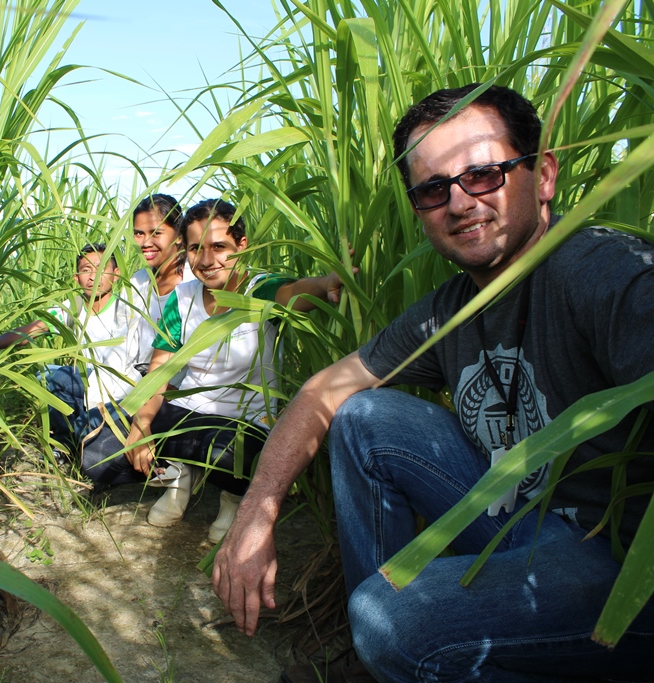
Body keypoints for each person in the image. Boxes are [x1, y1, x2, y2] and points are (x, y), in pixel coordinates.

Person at [212, 84, 654, 683]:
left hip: (611, 558)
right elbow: (325, 389)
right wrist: (258, 512)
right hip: (515, 513)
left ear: (542, 175)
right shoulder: (447, 311)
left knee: (388, 618)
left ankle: (397, 640)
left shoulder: (605, 273)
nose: (460, 202)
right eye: (433, 188)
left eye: (483, 173)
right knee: (363, 419)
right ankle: (385, 656)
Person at [83, 199, 344, 543]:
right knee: (100, 454)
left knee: (227, 453)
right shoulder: (183, 297)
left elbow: (294, 292)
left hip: (244, 422)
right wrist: (141, 424)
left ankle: (232, 497)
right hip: (188, 410)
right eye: (195, 249)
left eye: (219, 246)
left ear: (242, 245)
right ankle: (180, 475)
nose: (206, 261)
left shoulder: (259, 289)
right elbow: (159, 368)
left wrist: (326, 283)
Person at [0, 243, 139, 452]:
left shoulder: (127, 307)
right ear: (75, 277)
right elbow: (31, 331)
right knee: (47, 376)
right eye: (86, 270)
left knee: (61, 380)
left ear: (116, 274)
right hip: (89, 384)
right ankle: (63, 444)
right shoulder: (73, 308)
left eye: (100, 268)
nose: (93, 277)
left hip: (123, 389)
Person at [127, 193, 196, 375]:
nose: (146, 243)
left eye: (156, 233)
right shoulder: (138, 281)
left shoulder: (193, 284)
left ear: (179, 235)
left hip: (175, 388)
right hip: (135, 380)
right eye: (139, 234)